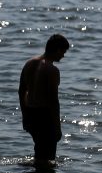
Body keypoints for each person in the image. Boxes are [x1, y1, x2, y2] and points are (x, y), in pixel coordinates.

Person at [19, 34, 70, 163]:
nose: (63, 56)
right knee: (47, 158)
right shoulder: (52, 70)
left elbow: (21, 91)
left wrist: (25, 115)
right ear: (57, 50)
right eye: (63, 52)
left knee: (39, 152)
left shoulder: (29, 63)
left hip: (31, 113)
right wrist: (57, 128)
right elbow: (53, 101)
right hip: (45, 117)